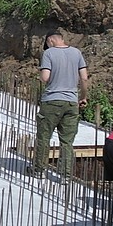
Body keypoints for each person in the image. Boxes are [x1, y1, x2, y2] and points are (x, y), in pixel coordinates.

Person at [32, 29, 89, 180]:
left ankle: (39, 171)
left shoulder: (49, 54)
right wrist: (83, 97)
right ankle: (65, 176)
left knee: (44, 136)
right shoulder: (77, 53)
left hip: (52, 100)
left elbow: (45, 77)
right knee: (67, 141)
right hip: (71, 102)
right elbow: (84, 78)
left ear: (50, 41)